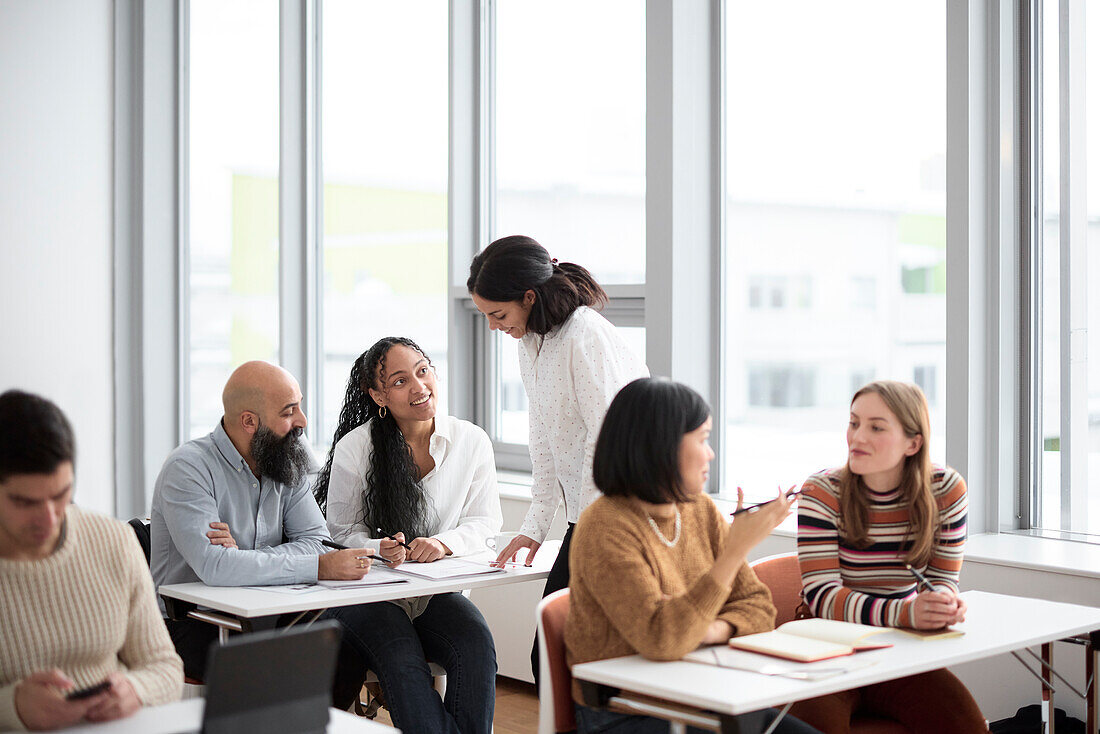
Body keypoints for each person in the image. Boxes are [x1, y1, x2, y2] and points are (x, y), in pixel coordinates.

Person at [565, 378, 819, 734]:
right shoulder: (605, 526)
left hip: (706, 693)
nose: (710, 453)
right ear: (662, 446)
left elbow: (760, 609)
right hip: (627, 712)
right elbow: (663, 639)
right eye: (702, 438)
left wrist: (705, 630)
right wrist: (734, 553)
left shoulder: (699, 510)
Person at [467, 234, 649, 678]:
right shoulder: (529, 341)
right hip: (587, 517)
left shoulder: (584, 334)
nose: (493, 326)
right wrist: (535, 525)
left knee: (563, 659)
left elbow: (603, 437)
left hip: (621, 516)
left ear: (529, 297)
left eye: (498, 314)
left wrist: (584, 531)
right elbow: (543, 438)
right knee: (552, 657)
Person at [149, 361, 375, 708]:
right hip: (192, 621)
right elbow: (216, 569)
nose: (302, 421)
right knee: (279, 667)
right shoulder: (188, 468)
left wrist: (242, 559)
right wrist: (317, 567)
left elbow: (316, 540)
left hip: (273, 611)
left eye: (299, 406)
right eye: (289, 412)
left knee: (345, 651)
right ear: (249, 421)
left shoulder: (287, 456)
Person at [313, 337, 501, 734]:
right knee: (401, 659)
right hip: (370, 595)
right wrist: (375, 547)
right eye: (400, 381)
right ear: (378, 395)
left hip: (435, 592)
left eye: (423, 370)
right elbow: (337, 532)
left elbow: (485, 522)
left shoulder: (471, 441)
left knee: (476, 644)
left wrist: (442, 543)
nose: (419, 386)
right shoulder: (357, 448)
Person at [791, 380, 986, 733]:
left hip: (897, 648)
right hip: (826, 648)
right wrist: (907, 613)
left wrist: (944, 601)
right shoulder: (822, 491)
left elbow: (942, 580)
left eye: (876, 427)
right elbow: (821, 597)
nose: (857, 437)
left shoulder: (945, 489)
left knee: (969, 726)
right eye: (854, 423)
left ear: (913, 443)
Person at [0, 390, 183, 731]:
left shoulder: (113, 540)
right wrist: (13, 707)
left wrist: (136, 689)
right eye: (25, 503)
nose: (50, 519)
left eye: (60, 495)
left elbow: (166, 668)